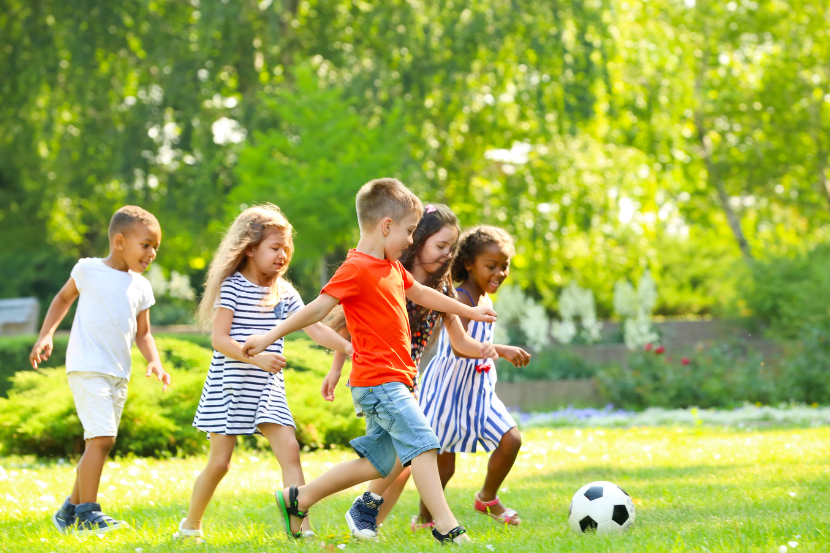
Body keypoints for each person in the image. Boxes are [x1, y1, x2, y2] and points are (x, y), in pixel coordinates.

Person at [242, 178, 497, 544]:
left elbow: (423, 293)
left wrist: (464, 310)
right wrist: (268, 337)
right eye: (409, 231)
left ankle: (299, 498)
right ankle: (446, 526)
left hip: (396, 380)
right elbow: (316, 309)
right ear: (386, 226)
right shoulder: (356, 268)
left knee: (379, 464)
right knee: (424, 442)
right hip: (378, 382)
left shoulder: (391, 268)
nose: (411, 240)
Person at [321, 203, 505, 539]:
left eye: (452, 247)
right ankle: (407, 521)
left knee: (398, 463)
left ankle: (362, 522)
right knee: (409, 453)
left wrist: (499, 350)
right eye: (440, 246)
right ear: (416, 240)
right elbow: (349, 324)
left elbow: (461, 343)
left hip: (406, 379)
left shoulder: (443, 288)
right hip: (378, 378)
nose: (447, 255)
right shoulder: (386, 275)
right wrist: (335, 369)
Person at [174, 204, 352, 542]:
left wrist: (349, 349)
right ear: (250, 248)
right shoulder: (233, 286)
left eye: (286, 248)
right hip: (230, 386)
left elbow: (315, 329)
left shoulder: (284, 292)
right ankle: (190, 524)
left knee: (290, 450)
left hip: (267, 389)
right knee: (220, 463)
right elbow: (219, 339)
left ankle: (302, 529)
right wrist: (257, 359)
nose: (283, 254)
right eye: (274, 247)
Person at [29, 206, 171, 535]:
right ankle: (87, 513)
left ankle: (68, 511)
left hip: (118, 373)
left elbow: (143, 333)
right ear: (120, 241)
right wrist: (46, 334)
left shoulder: (141, 287)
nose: (151, 253)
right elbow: (63, 299)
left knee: (100, 441)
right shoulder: (89, 270)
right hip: (87, 367)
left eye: (155, 248)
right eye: (146, 244)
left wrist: (155, 361)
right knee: (102, 439)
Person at [418, 225, 530, 528]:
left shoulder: (484, 300)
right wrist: (502, 349)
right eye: (491, 266)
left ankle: (487, 498)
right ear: (469, 263)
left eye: (504, 266)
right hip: (448, 389)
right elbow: (459, 348)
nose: (500, 273)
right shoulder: (462, 298)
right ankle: (425, 518)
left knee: (511, 440)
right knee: (444, 466)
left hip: (478, 390)